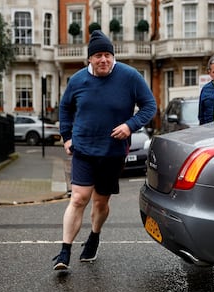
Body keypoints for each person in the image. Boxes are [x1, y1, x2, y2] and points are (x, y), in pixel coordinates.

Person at [53, 30, 157, 270]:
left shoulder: (129, 77)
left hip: (112, 152)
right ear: (89, 59)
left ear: (113, 57)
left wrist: (130, 126)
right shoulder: (77, 80)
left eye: (108, 55)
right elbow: (65, 108)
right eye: (98, 55)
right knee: (78, 198)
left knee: (100, 203)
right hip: (83, 149)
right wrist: (66, 137)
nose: (104, 60)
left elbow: (149, 105)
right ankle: (64, 252)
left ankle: (94, 236)